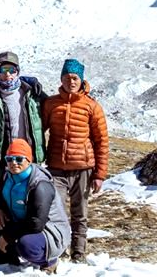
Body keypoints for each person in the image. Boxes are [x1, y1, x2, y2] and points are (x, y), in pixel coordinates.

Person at [42, 58, 109, 263]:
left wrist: (99, 174)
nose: (71, 81)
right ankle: (59, 251)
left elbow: (101, 141)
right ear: (61, 79)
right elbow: (39, 131)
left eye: (74, 78)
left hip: (83, 169)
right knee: (56, 213)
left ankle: (78, 255)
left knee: (80, 214)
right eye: (67, 77)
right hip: (56, 168)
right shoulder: (51, 104)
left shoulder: (92, 106)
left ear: (81, 80)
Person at [0, 139, 69, 273]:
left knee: (26, 245)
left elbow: (36, 223)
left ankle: (49, 261)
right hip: (20, 222)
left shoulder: (40, 184)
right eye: (9, 159)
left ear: (29, 159)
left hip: (48, 231)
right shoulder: (6, 177)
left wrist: (7, 236)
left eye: (19, 159)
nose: (13, 163)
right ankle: (7, 259)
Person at [0, 51, 46, 186]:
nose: (7, 74)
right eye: (3, 70)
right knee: (2, 199)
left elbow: (51, 114)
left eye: (12, 70)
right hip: (2, 159)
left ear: (18, 71)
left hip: (29, 158)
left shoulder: (32, 93)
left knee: (30, 198)